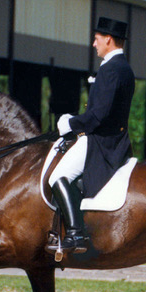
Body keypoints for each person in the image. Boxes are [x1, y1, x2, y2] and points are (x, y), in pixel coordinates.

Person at [48, 17, 136, 255]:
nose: (94, 44)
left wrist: (70, 123)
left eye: (97, 39)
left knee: (57, 176)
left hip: (101, 142)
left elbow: (99, 115)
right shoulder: (122, 67)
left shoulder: (112, 69)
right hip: (108, 137)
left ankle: (76, 234)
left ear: (108, 39)